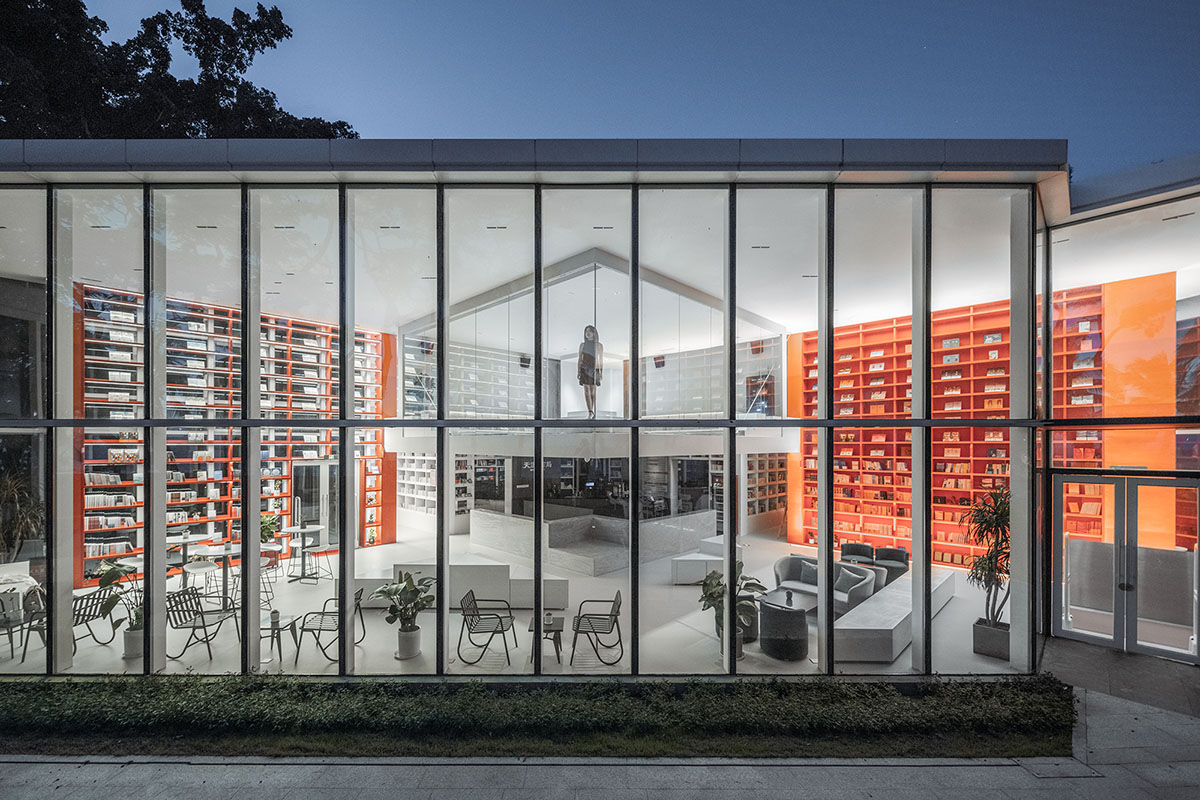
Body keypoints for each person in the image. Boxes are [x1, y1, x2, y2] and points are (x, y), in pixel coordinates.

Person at [577, 325, 603, 419]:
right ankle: (590, 411)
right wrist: (578, 371)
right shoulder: (582, 345)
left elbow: (600, 360)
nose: (587, 333)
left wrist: (600, 372)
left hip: (594, 368)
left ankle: (594, 410)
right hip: (584, 368)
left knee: (593, 390)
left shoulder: (598, 345)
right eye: (586, 331)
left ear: (594, 333)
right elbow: (580, 359)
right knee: (586, 390)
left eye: (590, 331)